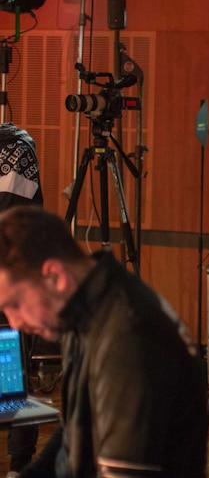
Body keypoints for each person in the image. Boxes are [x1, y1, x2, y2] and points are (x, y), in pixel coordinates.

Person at [0, 206, 208, 478]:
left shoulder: (128, 335)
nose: (14, 323)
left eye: (15, 304)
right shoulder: (89, 307)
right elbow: (73, 438)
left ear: (54, 276)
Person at [0, 122, 44, 477]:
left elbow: (12, 222)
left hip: (10, 282)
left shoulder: (15, 148)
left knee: (10, 378)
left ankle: (20, 465)